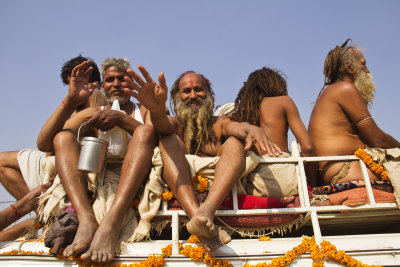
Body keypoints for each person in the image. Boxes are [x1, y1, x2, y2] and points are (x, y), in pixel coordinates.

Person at [124, 66, 281, 251]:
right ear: (177, 97)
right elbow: (162, 126)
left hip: (219, 188)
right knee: (169, 140)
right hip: (181, 181)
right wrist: (157, 110)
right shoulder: (176, 124)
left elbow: (237, 128)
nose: (193, 95)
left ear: (209, 94)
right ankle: (198, 218)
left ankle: (207, 210)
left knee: (234, 142)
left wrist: (251, 129)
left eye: (198, 89)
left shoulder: (219, 123)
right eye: (186, 91)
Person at [51, 58, 156, 264]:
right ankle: (86, 220)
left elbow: (160, 139)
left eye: (122, 79)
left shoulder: (145, 110)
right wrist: (70, 101)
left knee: (145, 132)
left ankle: (110, 225)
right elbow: (44, 142)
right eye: (110, 80)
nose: (116, 84)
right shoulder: (93, 113)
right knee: (62, 137)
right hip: (97, 174)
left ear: (132, 84)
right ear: (102, 85)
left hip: (136, 177)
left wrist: (121, 119)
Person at [0, 55, 106, 214]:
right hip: (57, 155)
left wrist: (70, 102)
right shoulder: (81, 98)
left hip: (70, 158)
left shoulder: (94, 95)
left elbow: (44, 142)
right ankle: (42, 210)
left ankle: (44, 211)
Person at [308, 39, 400, 185]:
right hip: (346, 170)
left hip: (340, 169)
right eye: (363, 64)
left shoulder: (332, 92)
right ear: (349, 67)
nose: (367, 70)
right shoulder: (345, 88)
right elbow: (378, 140)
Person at [231, 67, 317, 186]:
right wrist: (313, 183)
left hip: (253, 180)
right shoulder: (283, 102)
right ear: (276, 85)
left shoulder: (241, 114)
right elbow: (307, 147)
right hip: (283, 174)